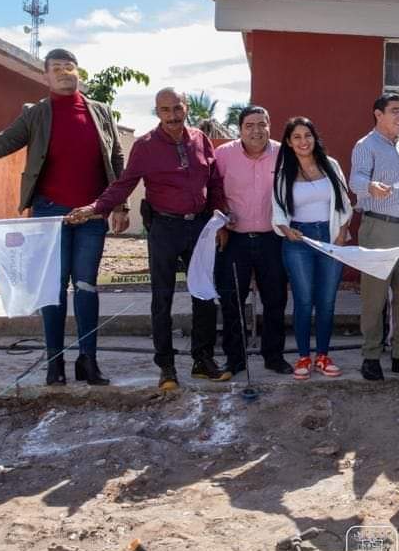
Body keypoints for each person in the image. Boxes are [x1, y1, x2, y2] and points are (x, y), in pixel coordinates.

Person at [0, 48, 128, 387]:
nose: (65, 72)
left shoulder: (101, 112)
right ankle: (55, 363)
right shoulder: (37, 114)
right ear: (46, 77)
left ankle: (88, 362)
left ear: (79, 72)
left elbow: (116, 157)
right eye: (57, 68)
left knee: (86, 287)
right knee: (52, 290)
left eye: (70, 67)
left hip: (91, 214)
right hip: (50, 215)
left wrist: (119, 206)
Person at [66, 88, 228, 390]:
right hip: (164, 229)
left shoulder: (201, 139)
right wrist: (95, 208)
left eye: (177, 108)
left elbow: (215, 183)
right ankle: (166, 366)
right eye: (165, 110)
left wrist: (220, 220)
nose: (172, 115)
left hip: (200, 229)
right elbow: (123, 184)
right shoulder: (145, 146)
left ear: (186, 107)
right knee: (162, 300)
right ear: (157, 113)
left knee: (205, 295)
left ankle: (203, 360)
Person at [213, 106, 293, 378]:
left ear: (270, 125)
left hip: (273, 239)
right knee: (231, 299)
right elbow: (213, 190)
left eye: (262, 124)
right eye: (249, 125)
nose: (256, 130)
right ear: (240, 129)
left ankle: (274, 357)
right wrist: (221, 215)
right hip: (234, 240)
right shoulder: (224, 154)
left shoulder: (284, 152)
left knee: (276, 299)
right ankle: (235, 359)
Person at [349, 93, 399, 380]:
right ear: (377, 114)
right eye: (394, 111)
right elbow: (354, 180)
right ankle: (371, 355)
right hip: (379, 227)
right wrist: (370, 186)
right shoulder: (365, 145)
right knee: (375, 295)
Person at [272, 117, 352, 380]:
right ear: (288, 142)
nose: (303, 141)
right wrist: (287, 231)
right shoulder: (284, 173)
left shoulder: (331, 166)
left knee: (327, 302)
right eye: (296, 137)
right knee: (304, 301)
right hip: (298, 241)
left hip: (330, 238)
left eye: (307, 135)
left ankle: (324, 356)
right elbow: (278, 212)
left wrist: (341, 233)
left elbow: (344, 203)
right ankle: (304, 357)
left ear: (314, 138)